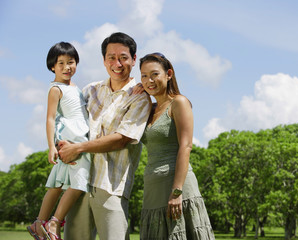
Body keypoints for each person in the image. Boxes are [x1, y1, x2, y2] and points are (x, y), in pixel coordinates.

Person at [58, 32, 151, 240]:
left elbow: (122, 139)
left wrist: (78, 148)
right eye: (111, 57)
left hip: (111, 185)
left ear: (134, 60)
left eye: (123, 57)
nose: (117, 63)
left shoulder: (139, 98)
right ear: (103, 60)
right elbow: (71, 124)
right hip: (78, 181)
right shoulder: (90, 90)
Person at [138, 53, 215, 239]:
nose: (149, 80)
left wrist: (176, 192)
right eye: (144, 76)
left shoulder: (179, 103)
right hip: (152, 190)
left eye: (155, 74)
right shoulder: (149, 109)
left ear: (169, 74)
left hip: (177, 187)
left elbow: (186, 146)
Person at [27, 42, 91, 240]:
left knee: (56, 184)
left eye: (70, 62)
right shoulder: (55, 89)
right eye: (60, 63)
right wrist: (50, 146)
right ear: (52, 66)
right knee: (80, 183)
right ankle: (54, 223)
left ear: (76, 63)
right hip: (71, 140)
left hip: (80, 138)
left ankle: (38, 223)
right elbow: (50, 118)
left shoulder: (75, 87)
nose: (66, 67)